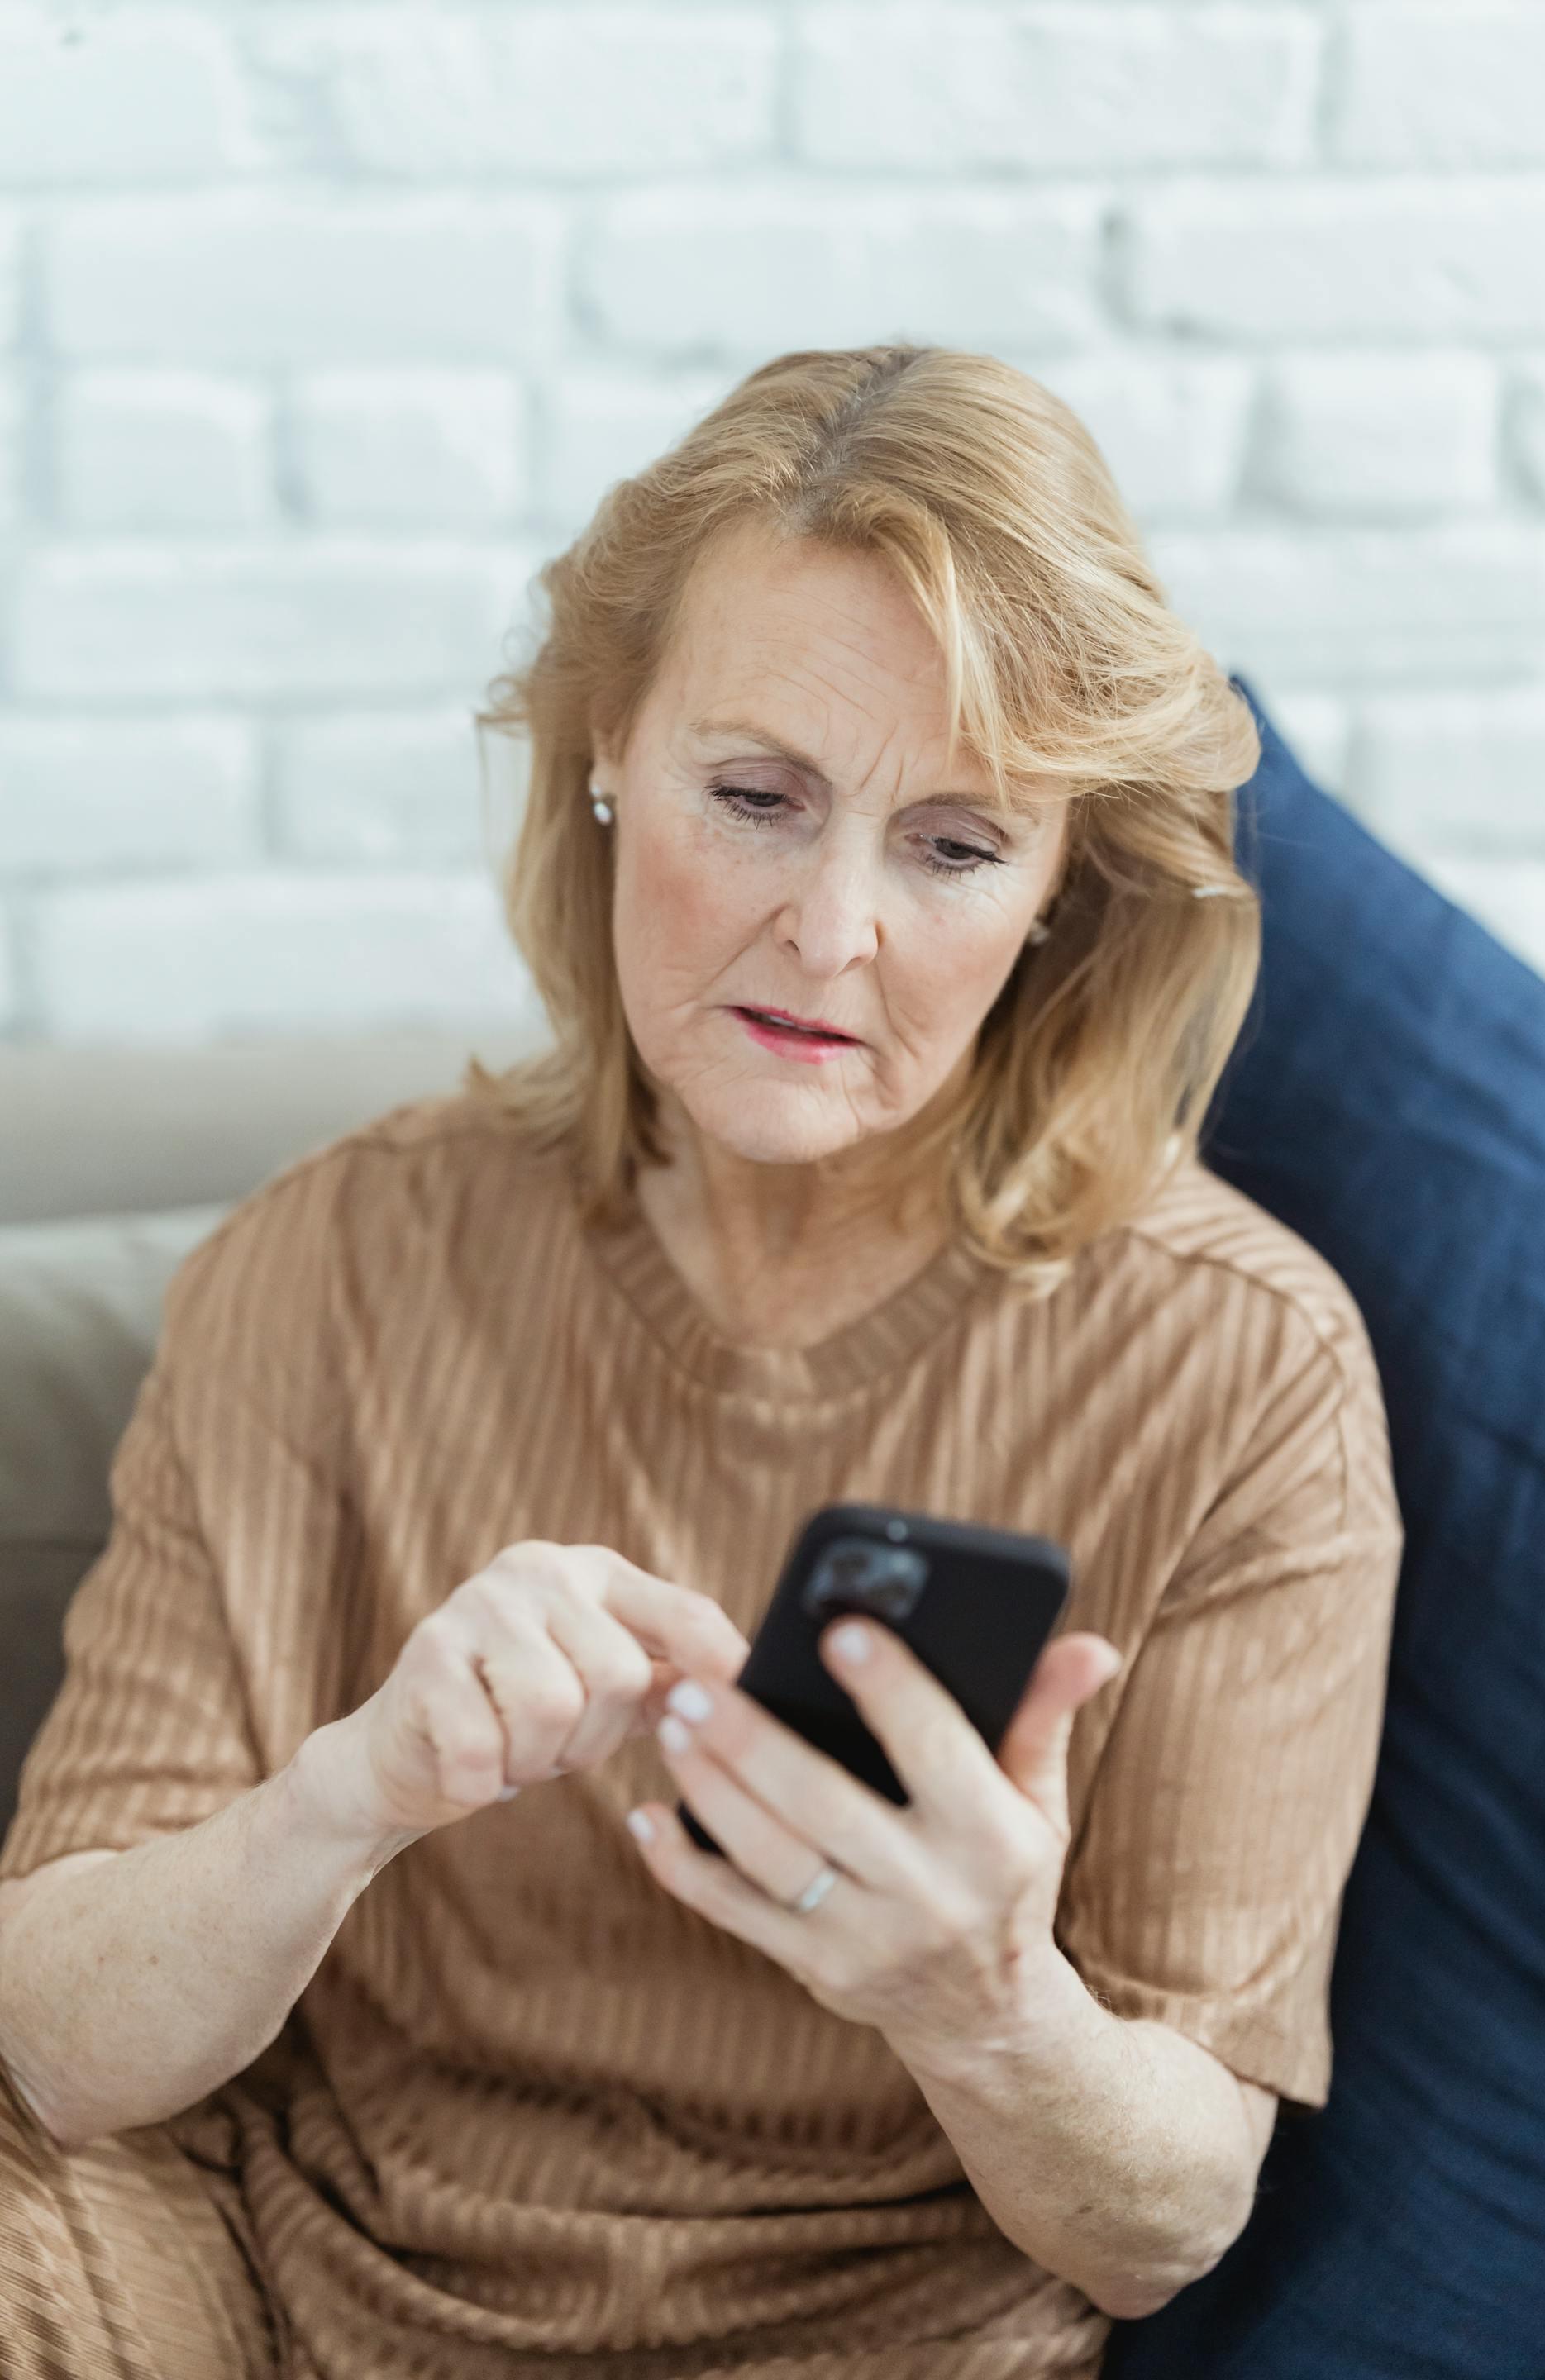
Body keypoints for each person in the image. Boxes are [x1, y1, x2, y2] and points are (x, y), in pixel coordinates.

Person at [0, 343, 1404, 2380]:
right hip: (265, 2279)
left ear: (1055, 898)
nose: (830, 932)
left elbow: (1165, 2228)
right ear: (602, 754)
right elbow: (60, 2032)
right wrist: (351, 1794)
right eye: (756, 799)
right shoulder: (325, 1262)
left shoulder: (1241, 1370)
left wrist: (982, 1996)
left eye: (951, 846)